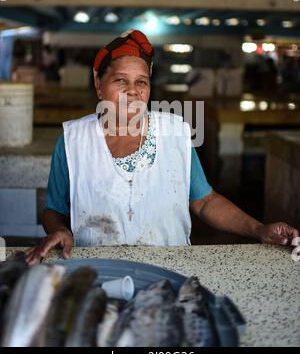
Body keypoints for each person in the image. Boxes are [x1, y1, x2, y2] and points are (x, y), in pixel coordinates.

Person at [26, 29, 299, 265]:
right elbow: (54, 208)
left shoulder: (175, 132)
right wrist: (60, 230)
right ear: (99, 85)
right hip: (97, 269)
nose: (132, 90)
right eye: (121, 80)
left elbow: (204, 202)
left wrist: (259, 229)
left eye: (141, 82)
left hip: (171, 267)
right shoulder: (73, 140)